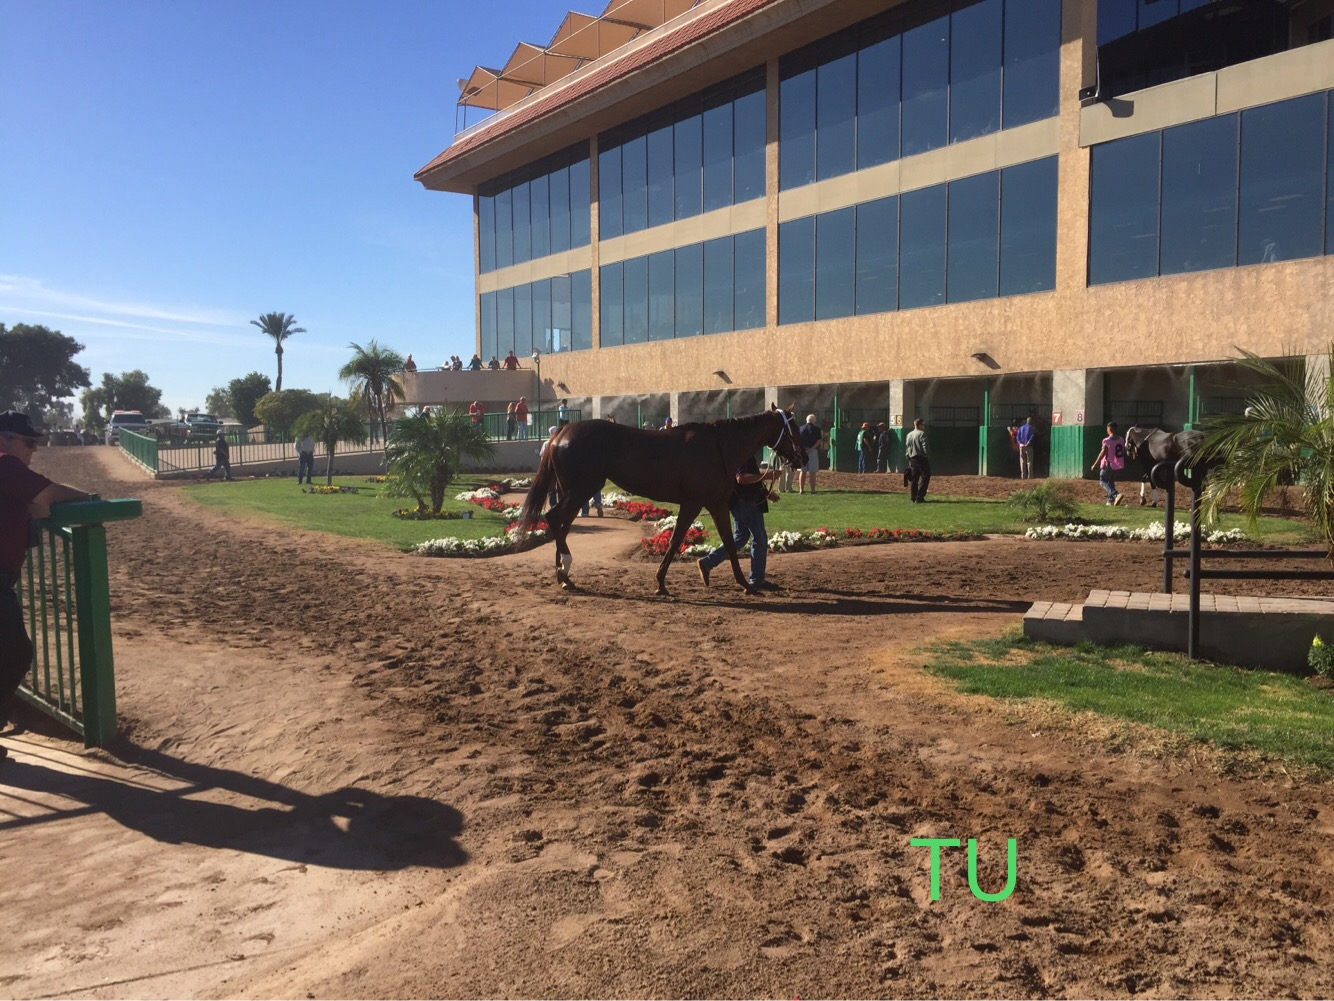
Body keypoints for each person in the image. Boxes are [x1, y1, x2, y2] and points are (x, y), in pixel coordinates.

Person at [1, 411, 91, 761]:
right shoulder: (6, 464)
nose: (33, 450)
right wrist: (89, 497)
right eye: (29, 442)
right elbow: (48, 496)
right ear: (5, 438)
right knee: (15, 653)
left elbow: (34, 506)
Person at [696, 453, 780, 592]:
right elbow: (741, 478)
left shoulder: (737, 453)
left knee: (740, 537)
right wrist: (768, 476)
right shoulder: (744, 454)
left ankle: (707, 562)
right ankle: (757, 579)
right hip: (747, 503)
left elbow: (745, 479)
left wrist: (767, 494)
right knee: (759, 538)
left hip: (738, 502)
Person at [1091, 421, 1126, 505]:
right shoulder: (1121, 439)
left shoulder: (1107, 440)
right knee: (1110, 482)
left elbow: (1102, 453)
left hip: (1108, 464)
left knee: (1102, 481)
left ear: (1109, 429)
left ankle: (1116, 494)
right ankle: (1110, 501)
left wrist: (1095, 464)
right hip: (1117, 464)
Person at [905, 418, 930, 503]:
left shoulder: (909, 434)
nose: (924, 426)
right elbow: (925, 446)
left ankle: (913, 496)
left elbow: (907, 448)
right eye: (923, 425)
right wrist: (927, 455)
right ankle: (920, 497)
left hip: (912, 459)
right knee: (925, 477)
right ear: (919, 425)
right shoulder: (922, 434)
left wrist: (909, 459)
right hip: (921, 458)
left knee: (914, 479)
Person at [796, 413, 822, 494]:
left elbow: (797, 440)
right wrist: (811, 448)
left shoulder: (801, 429)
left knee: (802, 471)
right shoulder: (816, 429)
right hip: (812, 451)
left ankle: (801, 489)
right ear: (814, 421)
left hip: (802, 451)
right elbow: (819, 440)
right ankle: (813, 490)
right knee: (812, 472)